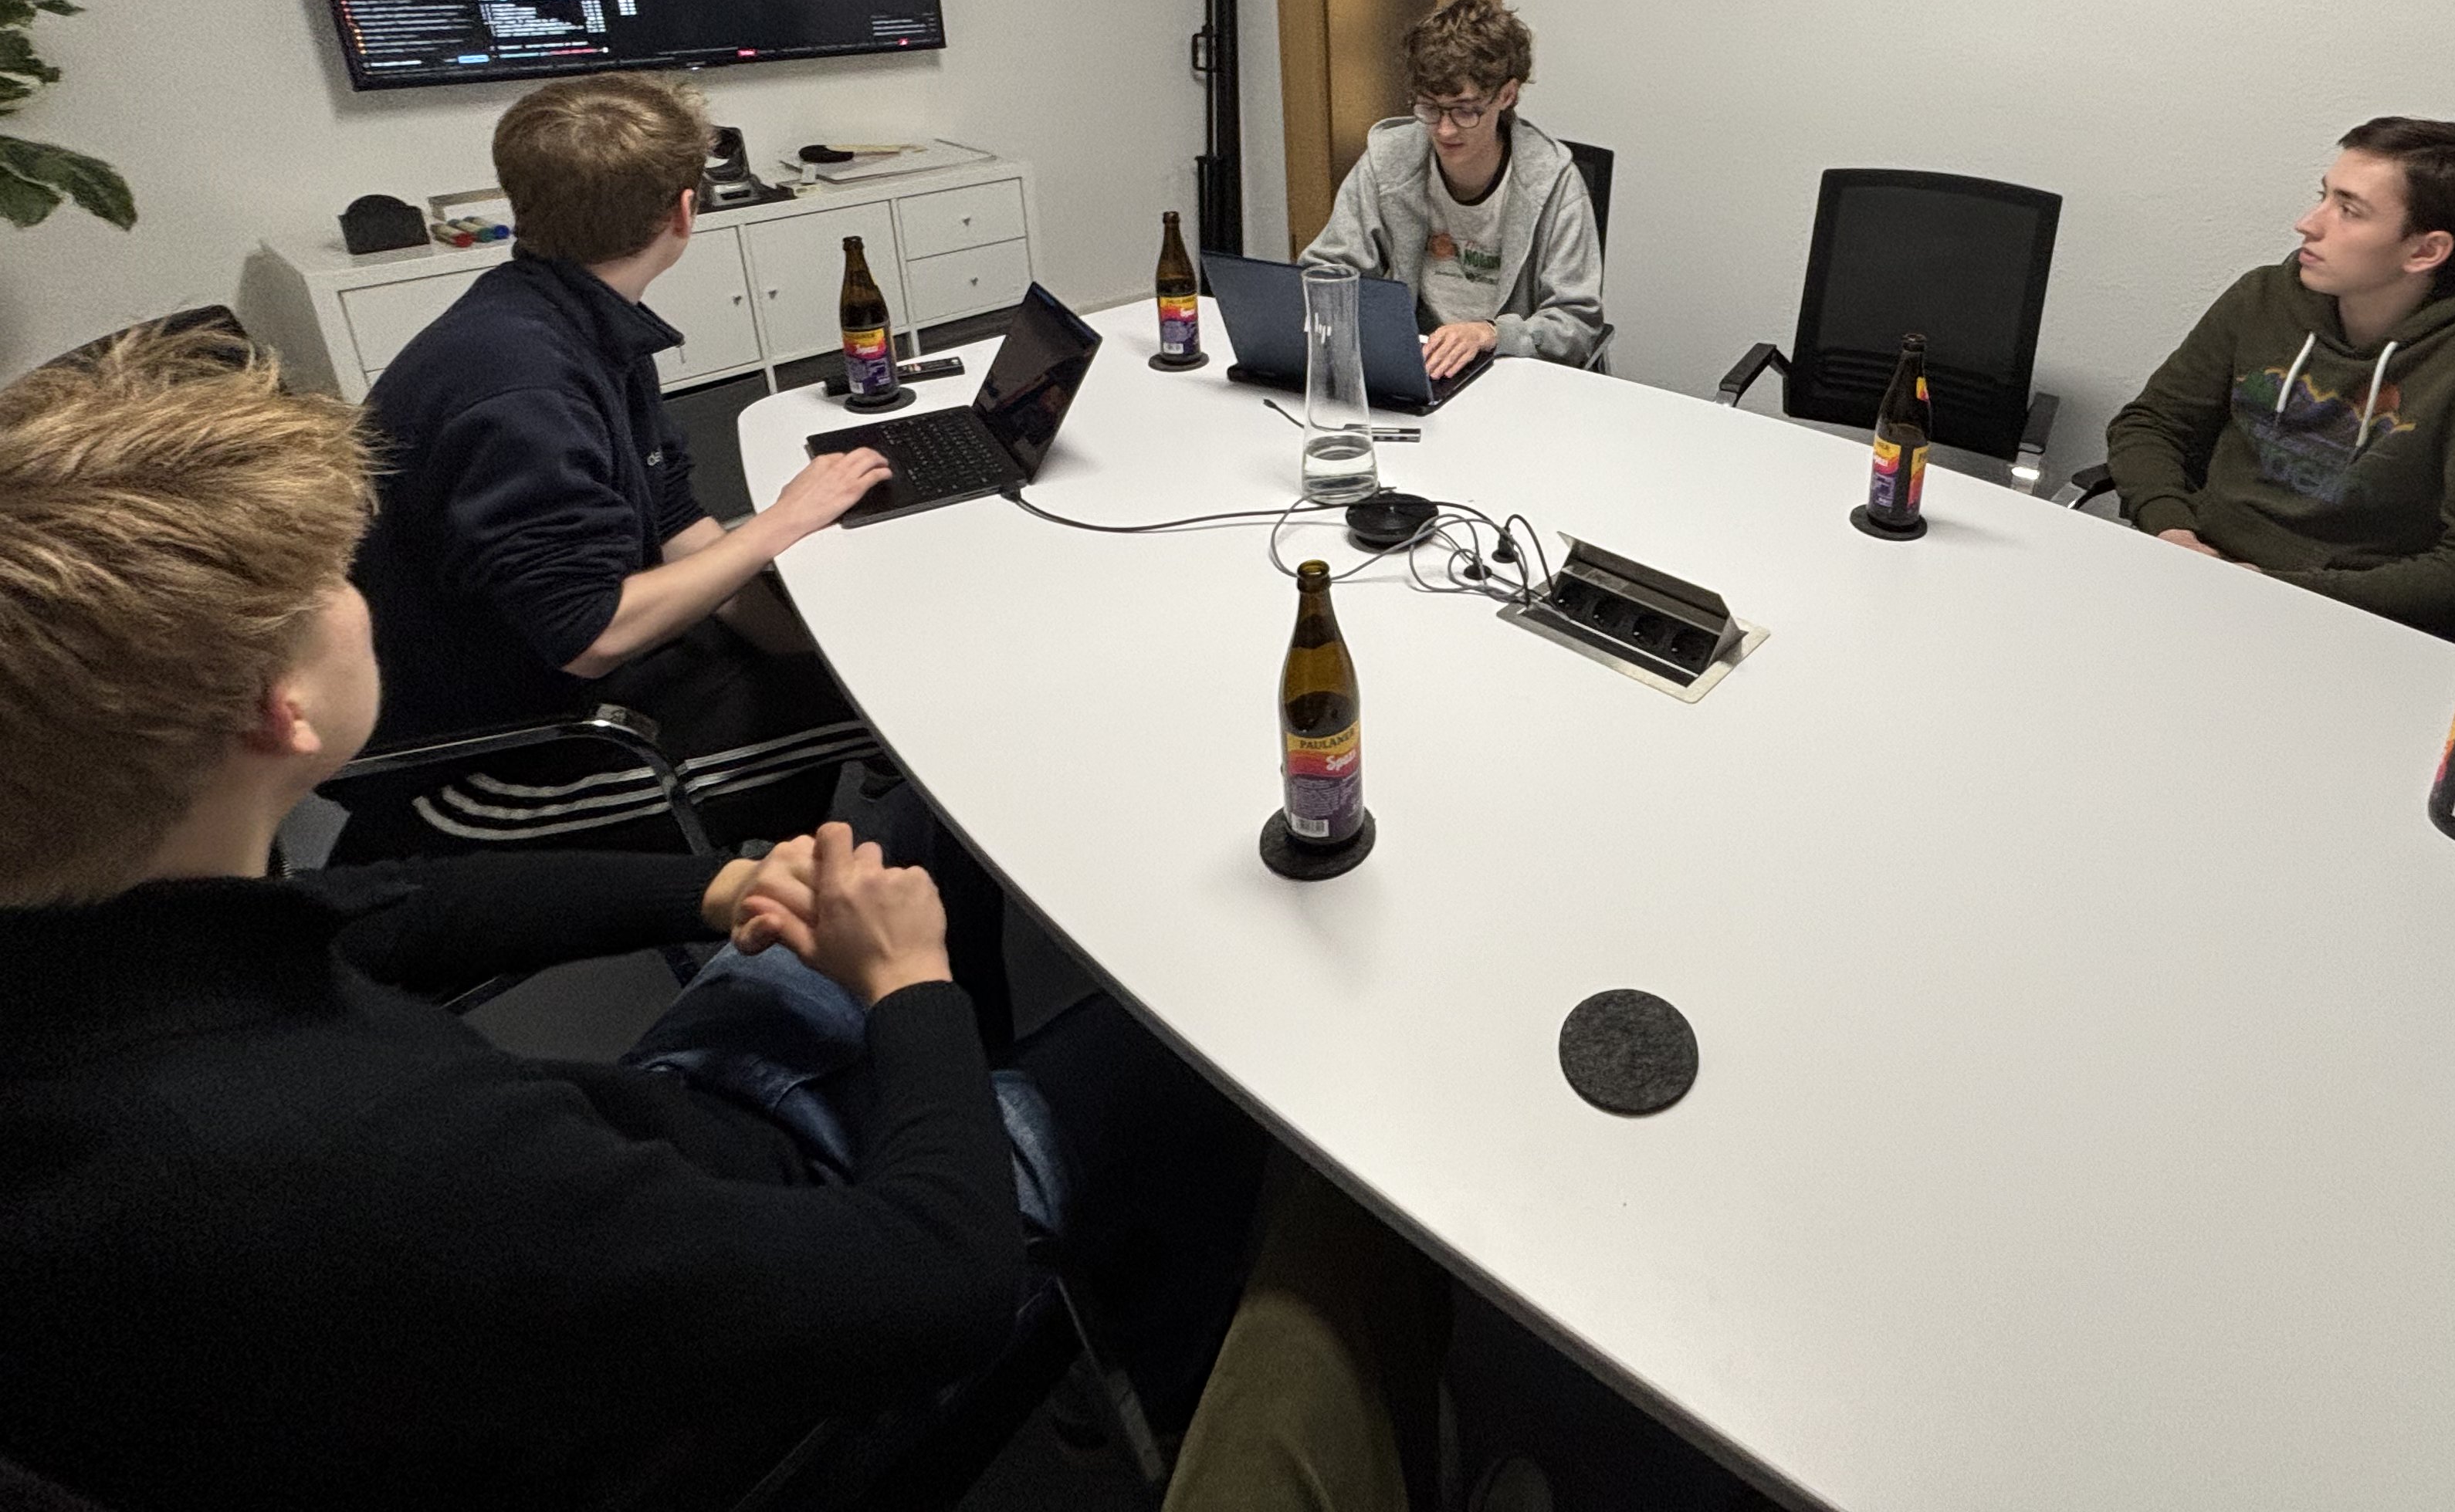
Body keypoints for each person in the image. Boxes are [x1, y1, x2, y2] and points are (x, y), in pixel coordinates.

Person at [0, 326, 1445, 1511]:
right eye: (337, 582)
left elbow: (384, 909)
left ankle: (976, 1071)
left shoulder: (103, 949)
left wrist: (710, 882)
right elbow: (936, 1283)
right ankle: (1153, 1360)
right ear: (281, 709)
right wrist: (911, 994)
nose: (363, 593)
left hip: (629, 1168)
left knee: (910, 834)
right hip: (810, 1249)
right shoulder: (351, 1161)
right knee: (1213, 1046)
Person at [352, 71, 892, 847]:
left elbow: (670, 517)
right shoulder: (523, 390)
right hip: (491, 768)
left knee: (862, 658)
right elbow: (591, 635)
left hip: (570, 678)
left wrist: (799, 641)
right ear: (684, 211)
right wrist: (783, 522)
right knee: (906, 705)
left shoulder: (573, 317)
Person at [2103, 116, 2455, 646]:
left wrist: (2272, 589)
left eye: (2349, 210)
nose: (2307, 224)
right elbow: (2152, 425)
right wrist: (2171, 528)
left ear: (2425, 251)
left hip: (2342, 627)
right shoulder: (2264, 298)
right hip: (2196, 576)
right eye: (2323, 196)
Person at [1302, 0, 1606, 376]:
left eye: (1465, 111)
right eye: (1430, 108)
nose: (1444, 130)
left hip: (1510, 371)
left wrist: (1493, 334)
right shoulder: (1389, 161)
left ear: (1507, 95)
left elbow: (1576, 324)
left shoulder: (1553, 181)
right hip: (1414, 363)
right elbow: (1325, 273)